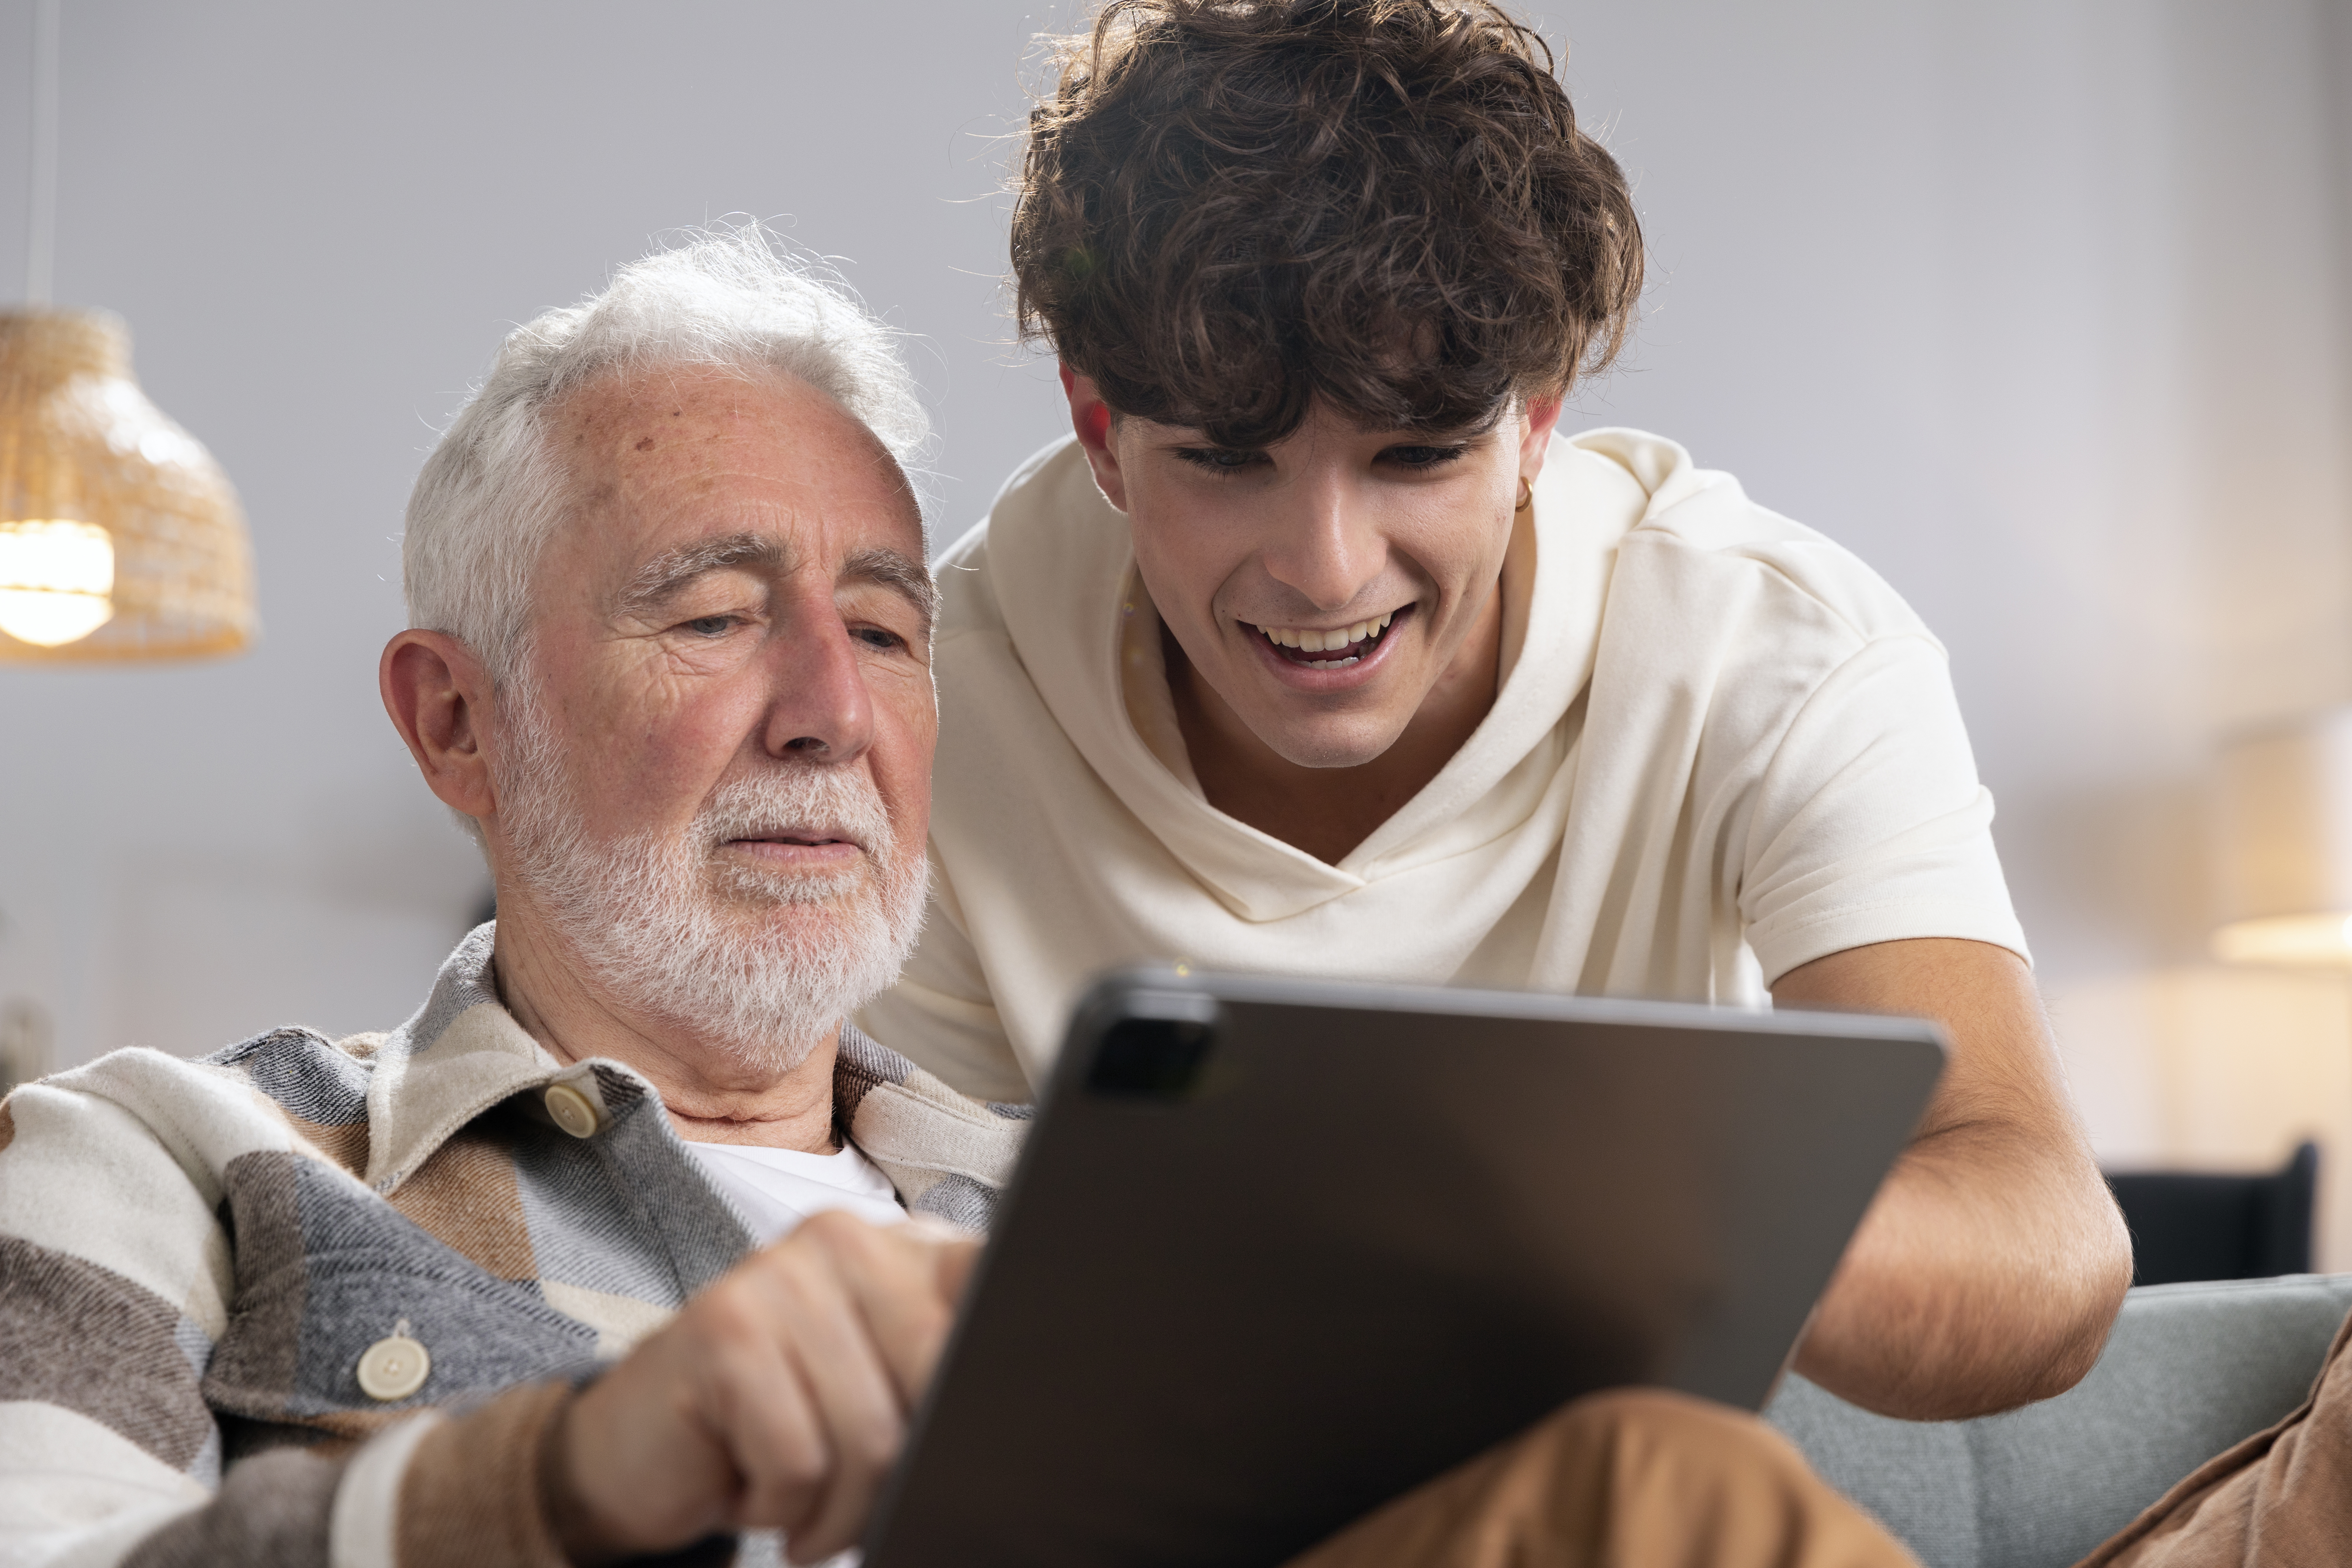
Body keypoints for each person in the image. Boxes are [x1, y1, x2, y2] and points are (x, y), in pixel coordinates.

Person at [0, 227, 1933, 1568]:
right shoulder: (174, 1155)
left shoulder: (1119, 1220)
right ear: (455, 720)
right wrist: (571, 1474)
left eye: (880, 627)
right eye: (711, 615)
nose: (830, 713)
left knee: (1649, 1481)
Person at [856, 0, 2134, 1425]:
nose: (1325, 569)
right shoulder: (931, 707)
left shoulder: (1766, 650)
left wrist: (1595, 1223)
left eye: (1417, 454)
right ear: (1101, 432)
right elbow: (909, 1286)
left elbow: (2046, 1251)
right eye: (1228, 460)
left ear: (1534, 423)